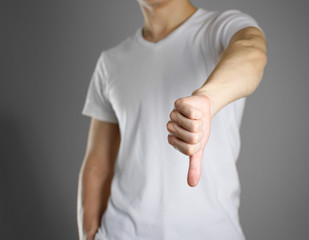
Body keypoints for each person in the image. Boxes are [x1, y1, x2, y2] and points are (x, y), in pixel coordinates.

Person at [77, 0, 267, 239]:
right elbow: (97, 165)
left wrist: (207, 99)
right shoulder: (111, 62)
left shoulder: (222, 28)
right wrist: (89, 235)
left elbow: (251, 50)